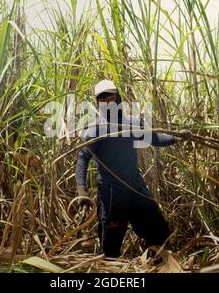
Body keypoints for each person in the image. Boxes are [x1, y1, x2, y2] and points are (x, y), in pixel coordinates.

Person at [75, 79, 192, 258]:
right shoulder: (95, 131)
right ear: (97, 103)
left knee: (159, 232)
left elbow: (155, 139)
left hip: (136, 188)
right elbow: (83, 159)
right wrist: (82, 191)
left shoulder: (132, 123)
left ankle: (155, 264)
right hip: (112, 195)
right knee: (109, 249)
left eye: (110, 97)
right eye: (102, 99)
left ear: (118, 98)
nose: (107, 102)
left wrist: (177, 137)